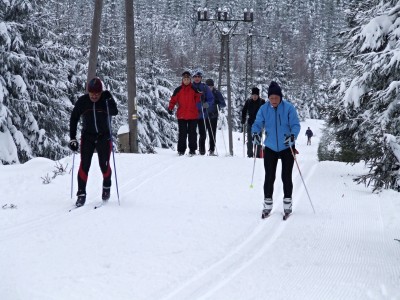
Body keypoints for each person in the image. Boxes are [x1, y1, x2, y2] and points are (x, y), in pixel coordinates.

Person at [251, 81, 301, 216]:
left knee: (286, 176)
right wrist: (255, 133)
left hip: (287, 147)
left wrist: (292, 136)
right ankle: (267, 204)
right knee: (269, 176)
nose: (273, 100)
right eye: (271, 98)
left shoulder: (289, 108)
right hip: (271, 147)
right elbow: (257, 124)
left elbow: (296, 125)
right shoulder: (264, 109)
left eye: (276, 98)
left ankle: (287, 204)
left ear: (280, 97)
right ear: (268, 98)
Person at [69, 77, 118, 207]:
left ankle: (107, 185)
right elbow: (74, 118)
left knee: (104, 165)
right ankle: (81, 194)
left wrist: (110, 99)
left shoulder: (105, 100)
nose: (94, 96)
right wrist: (72, 138)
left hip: (104, 137)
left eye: (97, 93)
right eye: (92, 94)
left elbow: (115, 112)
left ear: (101, 92)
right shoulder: (83, 102)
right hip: (87, 137)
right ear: (88, 92)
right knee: (84, 165)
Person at [168, 71, 201, 156]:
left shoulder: (194, 89)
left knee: (192, 133)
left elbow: (198, 100)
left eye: (187, 79)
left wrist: (200, 100)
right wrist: (170, 108)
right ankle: (181, 150)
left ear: (190, 80)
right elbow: (173, 100)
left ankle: (192, 150)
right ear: (182, 80)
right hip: (182, 115)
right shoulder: (178, 90)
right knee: (182, 133)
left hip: (193, 115)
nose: (186, 81)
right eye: (184, 79)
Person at [192, 71, 214, 155]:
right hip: (192, 114)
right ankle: (193, 149)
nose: (197, 78)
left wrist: (207, 104)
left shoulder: (205, 87)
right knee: (192, 133)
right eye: (195, 76)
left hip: (202, 115)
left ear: (201, 78)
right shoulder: (190, 87)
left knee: (203, 134)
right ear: (193, 78)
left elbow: (211, 99)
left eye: (198, 77)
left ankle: (202, 150)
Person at [241, 87, 265, 158]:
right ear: (251, 95)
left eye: (256, 95)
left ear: (258, 95)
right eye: (253, 95)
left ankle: (257, 155)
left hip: (259, 124)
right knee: (249, 140)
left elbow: (266, 112)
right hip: (250, 123)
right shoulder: (248, 101)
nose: (254, 96)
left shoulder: (262, 102)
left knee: (258, 139)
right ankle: (250, 155)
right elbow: (244, 111)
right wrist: (243, 118)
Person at [205, 78, 226, 156]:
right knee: (203, 133)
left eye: (211, 86)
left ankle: (212, 150)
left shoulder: (217, 93)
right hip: (205, 115)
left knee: (212, 133)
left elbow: (223, 104)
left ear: (213, 86)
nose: (209, 88)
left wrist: (218, 103)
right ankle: (201, 149)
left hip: (213, 115)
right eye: (208, 86)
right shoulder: (204, 93)